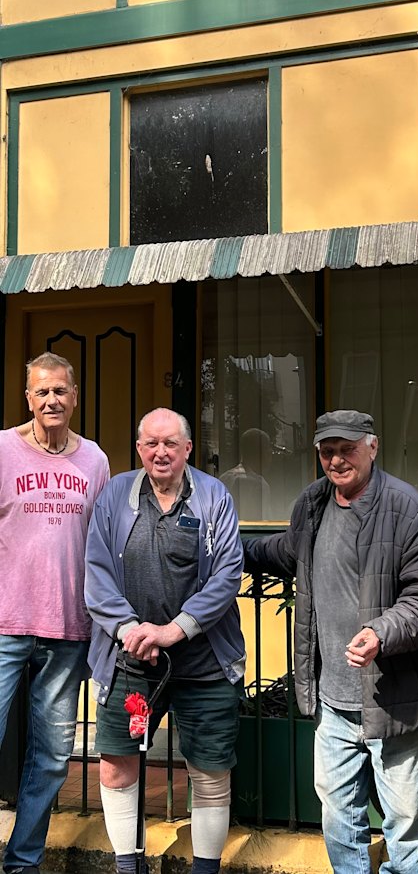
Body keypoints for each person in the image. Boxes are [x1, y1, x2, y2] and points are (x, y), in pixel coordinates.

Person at [244, 409, 418, 874]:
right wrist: (231, 549)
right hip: (332, 701)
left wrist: (380, 632)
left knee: (405, 821)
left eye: (347, 449)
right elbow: (288, 551)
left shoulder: (406, 507)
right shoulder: (313, 503)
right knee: (339, 818)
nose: (337, 460)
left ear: (372, 447)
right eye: (327, 451)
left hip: (393, 699)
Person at [84, 408, 245, 874]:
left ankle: (205, 870)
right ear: (139, 449)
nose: (161, 452)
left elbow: (227, 573)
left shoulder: (214, 496)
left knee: (210, 772)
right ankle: (127, 867)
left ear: (187, 448)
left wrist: (174, 630)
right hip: (129, 659)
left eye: (170, 443)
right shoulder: (115, 494)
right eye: (151, 443)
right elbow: (96, 571)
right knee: (117, 763)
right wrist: (130, 630)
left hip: (205, 661)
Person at [0, 351, 110, 874]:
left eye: (60, 390)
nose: (51, 400)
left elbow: (104, 541)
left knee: (51, 756)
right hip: (5, 623)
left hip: (68, 628)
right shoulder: (3, 449)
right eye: (42, 391)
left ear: (74, 396)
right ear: (28, 398)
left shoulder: (95, 460)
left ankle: (23, 862)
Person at [220, 428, 272, 519]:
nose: (270, 456)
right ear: (259, 453)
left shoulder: (223, 479)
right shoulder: (259, 485)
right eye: (267, 451)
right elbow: (262, 523)